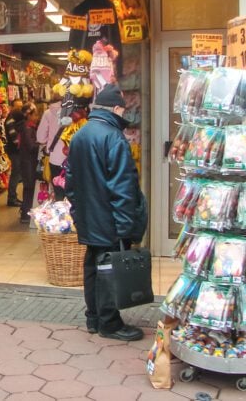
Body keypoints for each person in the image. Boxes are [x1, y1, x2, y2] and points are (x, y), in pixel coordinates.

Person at [65, 83, 147, 342]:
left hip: (89, 217)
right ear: (114, 108)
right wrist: (125, 227)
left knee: (92, 263)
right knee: (109, 266)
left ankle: (94, 317)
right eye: (122, 108)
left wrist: (79, 213)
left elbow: (70, 182)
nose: (124, 112)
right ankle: (109, 324)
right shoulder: (113, 138)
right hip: (109, 218)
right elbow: (123, 188)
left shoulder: (80, 135)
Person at [36, 91, 67, 201]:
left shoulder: (48, 113)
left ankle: (60, 214)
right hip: (72, 157)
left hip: (55, 158)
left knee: (58, 191)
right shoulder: (75, 112)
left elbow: (40, 137)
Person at [18, 102, 39, 223]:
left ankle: (25, 211)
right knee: (29, 187)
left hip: (27, 162)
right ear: (28, 115)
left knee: (28, 187)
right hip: (28, 162)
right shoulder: (27, 128)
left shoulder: (29, 127)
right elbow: (31, 147)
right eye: (34, 115)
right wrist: (41, 144)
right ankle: (25, 214)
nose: (36, 117)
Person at [3, 98, 24, 206]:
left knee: (17, 172)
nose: (19, 109)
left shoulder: (16, 117)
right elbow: (14, 137)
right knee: (15, 173)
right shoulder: (11, 119)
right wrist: (21, 145)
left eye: (21, 107)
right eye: (17, 107)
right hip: (14, 150)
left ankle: (13, 197)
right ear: (12, 107)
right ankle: (11, 198)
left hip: (16, 149)